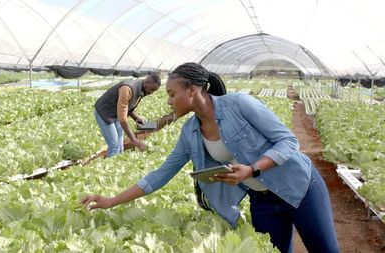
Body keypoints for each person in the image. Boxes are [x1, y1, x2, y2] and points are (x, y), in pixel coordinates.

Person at [82, 63, 339, 253]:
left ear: (193, 91)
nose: (169, 102)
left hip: (300, 187)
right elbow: (159, 176)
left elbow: (289, 142)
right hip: (262, 201)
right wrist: (111, 201)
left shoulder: (239, 104)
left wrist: (252, 169)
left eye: (172, 94)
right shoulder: (189, 132)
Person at [94, 73, 161, 157]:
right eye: (151, 89)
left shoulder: (141, 89)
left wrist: (136, 118)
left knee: (120, 146)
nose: (151, 93)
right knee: (114, 147)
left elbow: (128, 107)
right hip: (105, 113)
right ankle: (109, 167)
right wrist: (134, 139)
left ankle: (116, 163)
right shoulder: (127, 89)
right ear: (146, 83)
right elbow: (122, 119)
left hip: (115, 114)